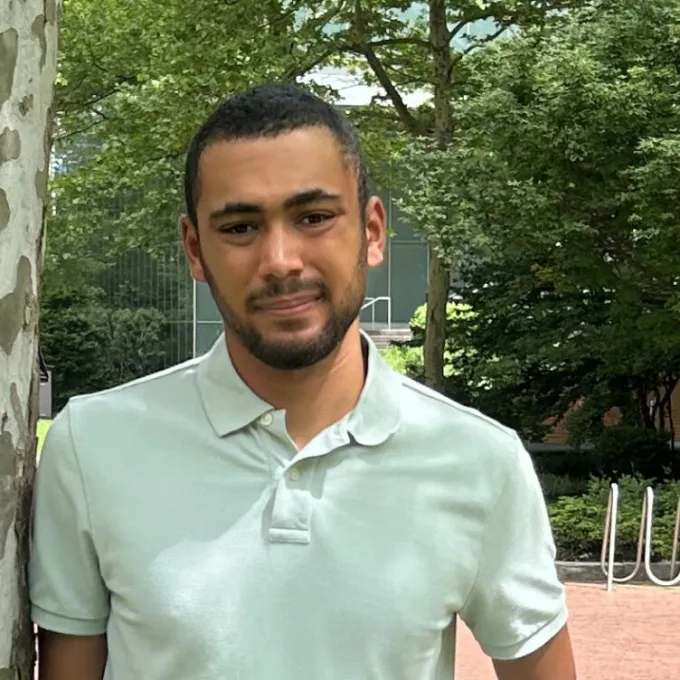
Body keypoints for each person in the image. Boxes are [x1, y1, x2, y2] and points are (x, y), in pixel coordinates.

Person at [29, 83, 577, 680]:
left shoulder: (478, 461)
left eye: (314, 218)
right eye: (240, 227)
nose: (280, 261)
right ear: (195, 250)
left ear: (372, 232)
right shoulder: (94, 445)